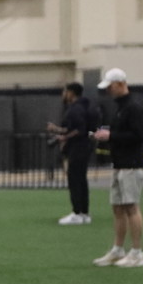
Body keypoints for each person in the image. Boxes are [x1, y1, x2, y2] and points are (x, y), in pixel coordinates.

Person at [92, 68, 143, 267]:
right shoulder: (121, 107)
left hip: (131, 164)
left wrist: (111, 136)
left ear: (120, 84)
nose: (108, 90)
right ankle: (118, 249)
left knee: (131, 206)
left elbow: (138, 136)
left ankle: (137, 252)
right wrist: (109, 136)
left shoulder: (133, 107)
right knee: (117, 207)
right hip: (119, 164)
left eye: (110, 86)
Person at [47, 82, 93, 225]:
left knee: (74, 180)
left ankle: (77, 213)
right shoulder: (84, 107)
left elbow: (79, 130)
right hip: (84, 147)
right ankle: (84, 213)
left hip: (77, 148)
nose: (63, 94)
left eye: (65, 91)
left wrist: (63, 136)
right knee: (81, 180)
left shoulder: (75, 109)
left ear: (71, 93)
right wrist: (59, 130)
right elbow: (75, 129)